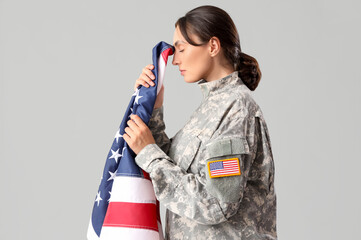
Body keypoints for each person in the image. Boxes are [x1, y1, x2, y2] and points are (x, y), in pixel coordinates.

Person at [123, 5, 277, 240]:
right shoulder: (211, 108)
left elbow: (216, 203)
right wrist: (153, 106)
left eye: (182, 49)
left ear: (213, 46)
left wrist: (149, 154)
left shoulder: (237, 109)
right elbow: (174, 169)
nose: (175, 61)